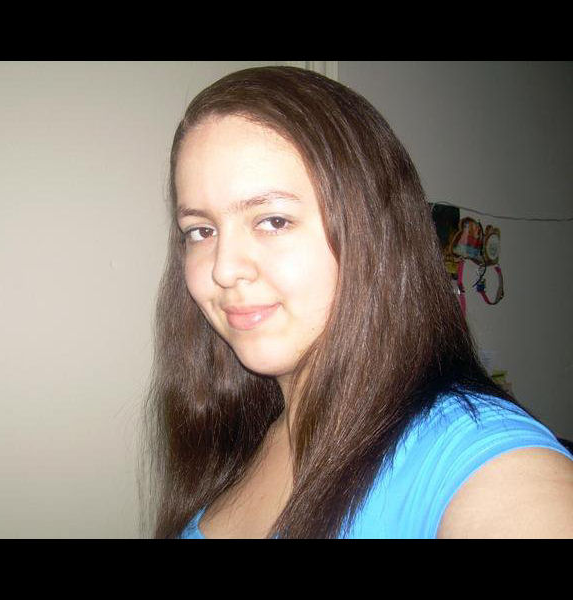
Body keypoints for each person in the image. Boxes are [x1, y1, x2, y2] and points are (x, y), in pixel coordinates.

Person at [142, 66, 573, 539]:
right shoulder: (242, 432)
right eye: (201, 231)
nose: (224, 270)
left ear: (373, 232)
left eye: (274, 221)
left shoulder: (477, 457)